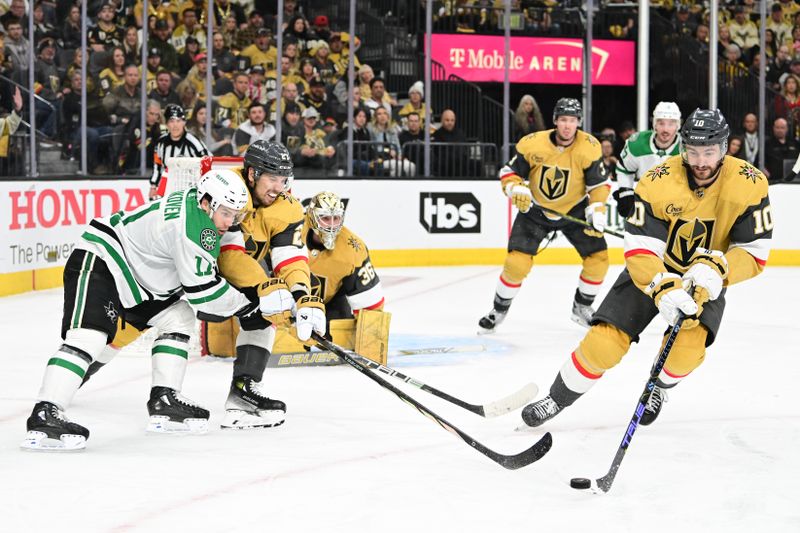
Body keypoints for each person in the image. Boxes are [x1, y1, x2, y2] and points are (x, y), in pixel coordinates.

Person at [520, 108, 772, 430]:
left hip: (706, 279)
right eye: (693, 151)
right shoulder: (657, 180)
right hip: (653, 271)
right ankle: (556, 397)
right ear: (683, 147)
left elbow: (754, 252)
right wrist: (661, 285)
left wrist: (718, 270)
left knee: (686, 352)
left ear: (723, 148)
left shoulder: (750, 183)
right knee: (603, 342)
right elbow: (640, 249)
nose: (700, 161)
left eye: (709, 152)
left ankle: (658, 388)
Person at [20, 169, 267, 451]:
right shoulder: (194, 229)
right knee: (89, 338)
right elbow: (203, 295)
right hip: (102, 260)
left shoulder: (198, 207)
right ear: (207, 203)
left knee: (179, 318)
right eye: (226, 213)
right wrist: (249, 306)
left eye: (236, 214)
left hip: (137, 279)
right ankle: (45, 411)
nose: (231, 222)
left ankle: (165, 399)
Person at [213, 140, 326, 429]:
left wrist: (301, 296)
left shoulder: (287, 207)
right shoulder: (229, 188)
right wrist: (267, 286)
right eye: (272, 178)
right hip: (191, 270)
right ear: (251, 174)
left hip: (222, 278)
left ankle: (243, 392)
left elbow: (289, 256)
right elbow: (229, 255)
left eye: (283, 179)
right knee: (129, 327)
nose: (279, 187)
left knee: (262, 314)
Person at [478, 98, 610, 332]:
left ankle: (582, 308)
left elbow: (598, 185)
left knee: (599, 259)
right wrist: (515, 188)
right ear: (555, 121)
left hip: (574, 209)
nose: (567, 126)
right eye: (563, 120)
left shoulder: (589, 146)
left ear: (578, 122)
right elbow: (509, 172)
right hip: (536, 210)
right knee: (516, 264)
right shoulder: (533, 144)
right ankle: (498, 310)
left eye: (572, 121)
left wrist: (597, 208)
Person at [614, 102, 682, 217]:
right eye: (661, 123)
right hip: (645, 202)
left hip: (676, 204)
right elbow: (624, 170)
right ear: (655, 124)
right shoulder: (637, 143)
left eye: (671, 124)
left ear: (678, 126)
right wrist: (626, 193)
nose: (665, 129)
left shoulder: (687, 148)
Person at [150, 104, 209, 200]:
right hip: (168, 188)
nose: (175, 125)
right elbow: (157, 166)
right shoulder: (161, 143)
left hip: (191, 189)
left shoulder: (193, 142)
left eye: (178, 121)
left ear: (184, 123)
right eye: (171, 121)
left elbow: (207, 162)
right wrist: (153, 186)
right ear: (167, 124)